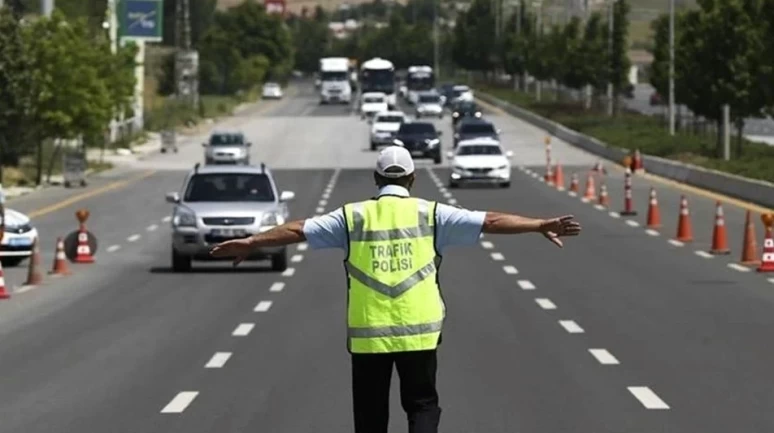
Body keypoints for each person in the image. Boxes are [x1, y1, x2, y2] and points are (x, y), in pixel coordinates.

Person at [209, 146, 581, 433]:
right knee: (421, 405)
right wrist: (538, 224)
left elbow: (297, 229)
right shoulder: (433, 214)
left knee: (371, 415)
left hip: (369, 335)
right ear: (413, 179)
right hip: (419, 332)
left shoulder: (352, 217)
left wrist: (252, 242)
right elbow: (491, 220)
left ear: (375, 178)